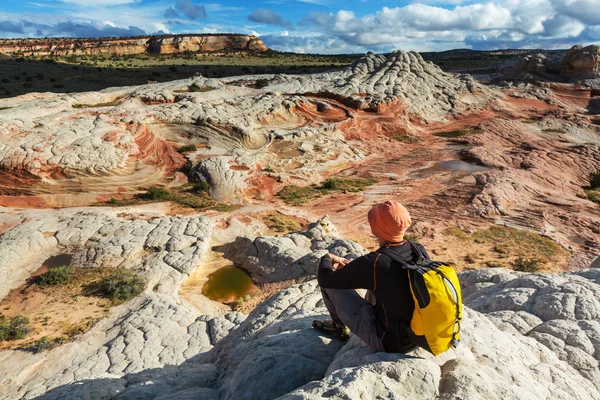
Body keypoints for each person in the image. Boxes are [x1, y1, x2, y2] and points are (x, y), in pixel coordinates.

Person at [312, 200, 430, 353]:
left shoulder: (376, 262)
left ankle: (339, 328)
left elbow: (325, 279)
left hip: (388, 342)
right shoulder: (418, 249)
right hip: (419, 336)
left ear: (377, 228)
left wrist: (326, 258)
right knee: (378, 286)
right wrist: (356, 271)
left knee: (331, 285)